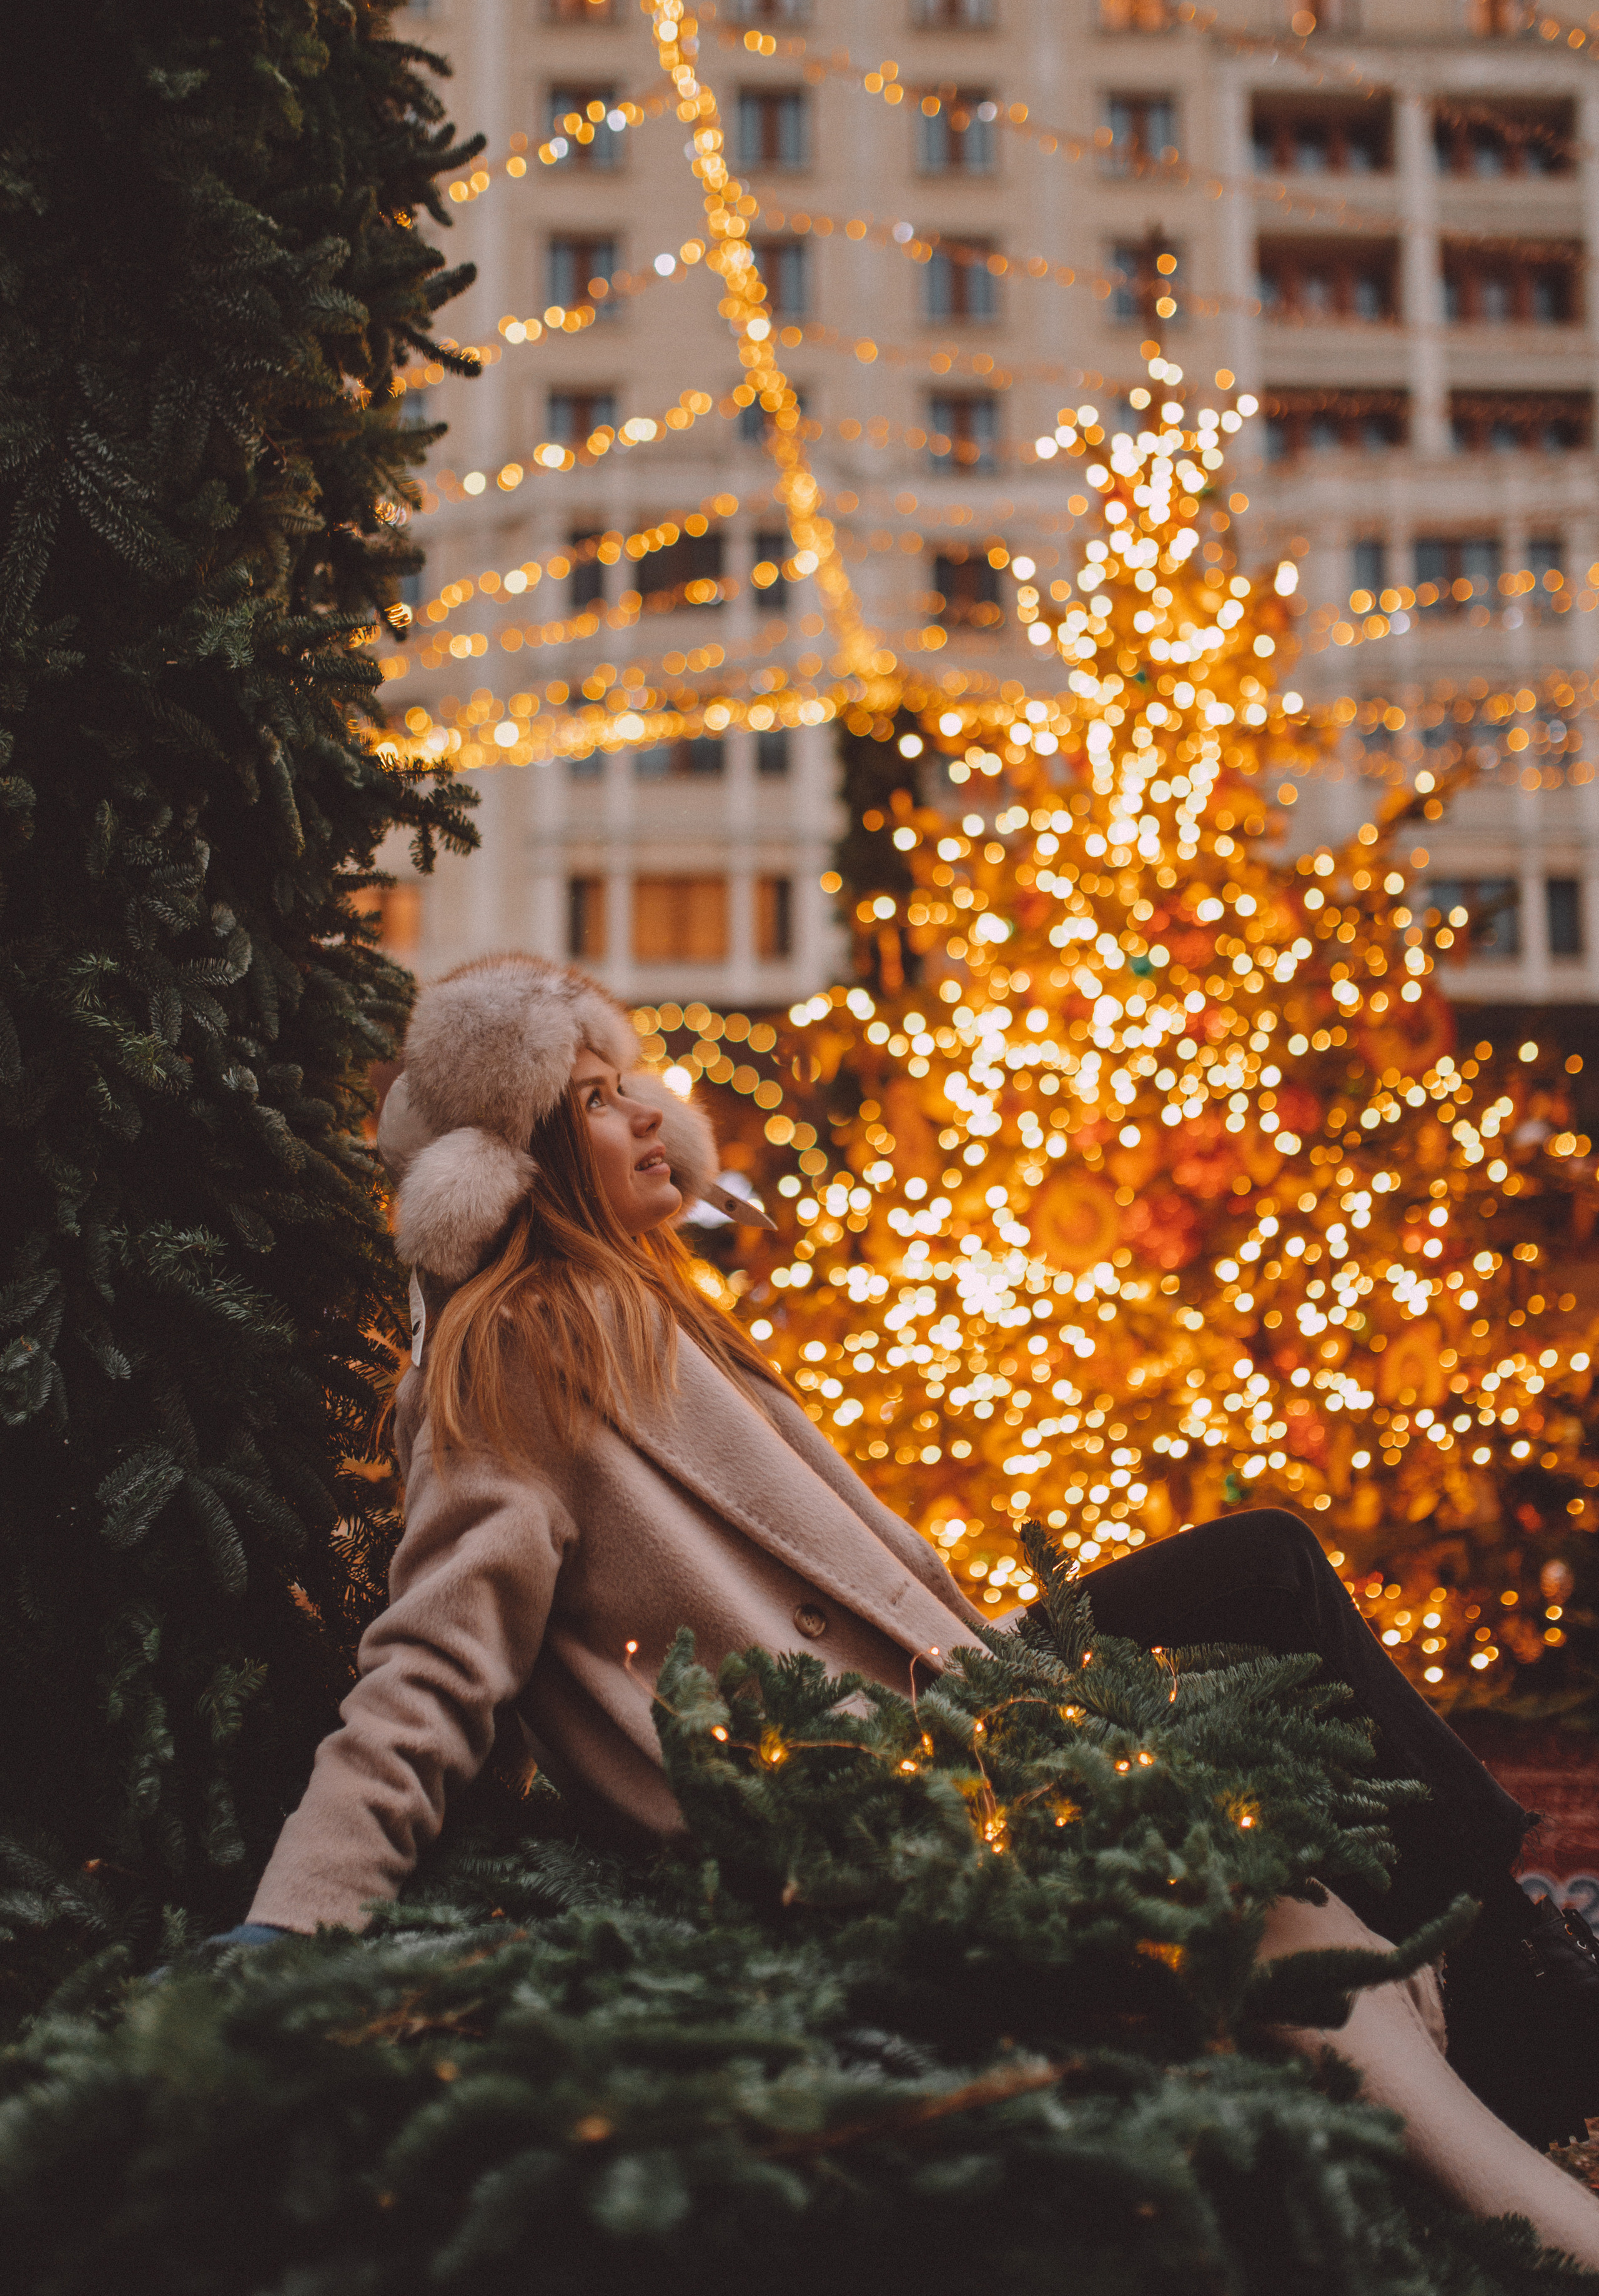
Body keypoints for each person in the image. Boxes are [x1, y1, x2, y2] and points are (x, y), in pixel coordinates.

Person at [237, 955, 1599, 2248]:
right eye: (595, 1100)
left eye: (634, 1079)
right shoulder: (518, 1348)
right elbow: (432, 1664)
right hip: (845, 1774)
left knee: (1265, 1600)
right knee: (1263, 1578)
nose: (652, 1112)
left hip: (936, 1709)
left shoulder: (645, 1307)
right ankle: (1527, 1976)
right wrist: (291, 1923)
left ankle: (1511, 1962)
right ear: (516, 1165)